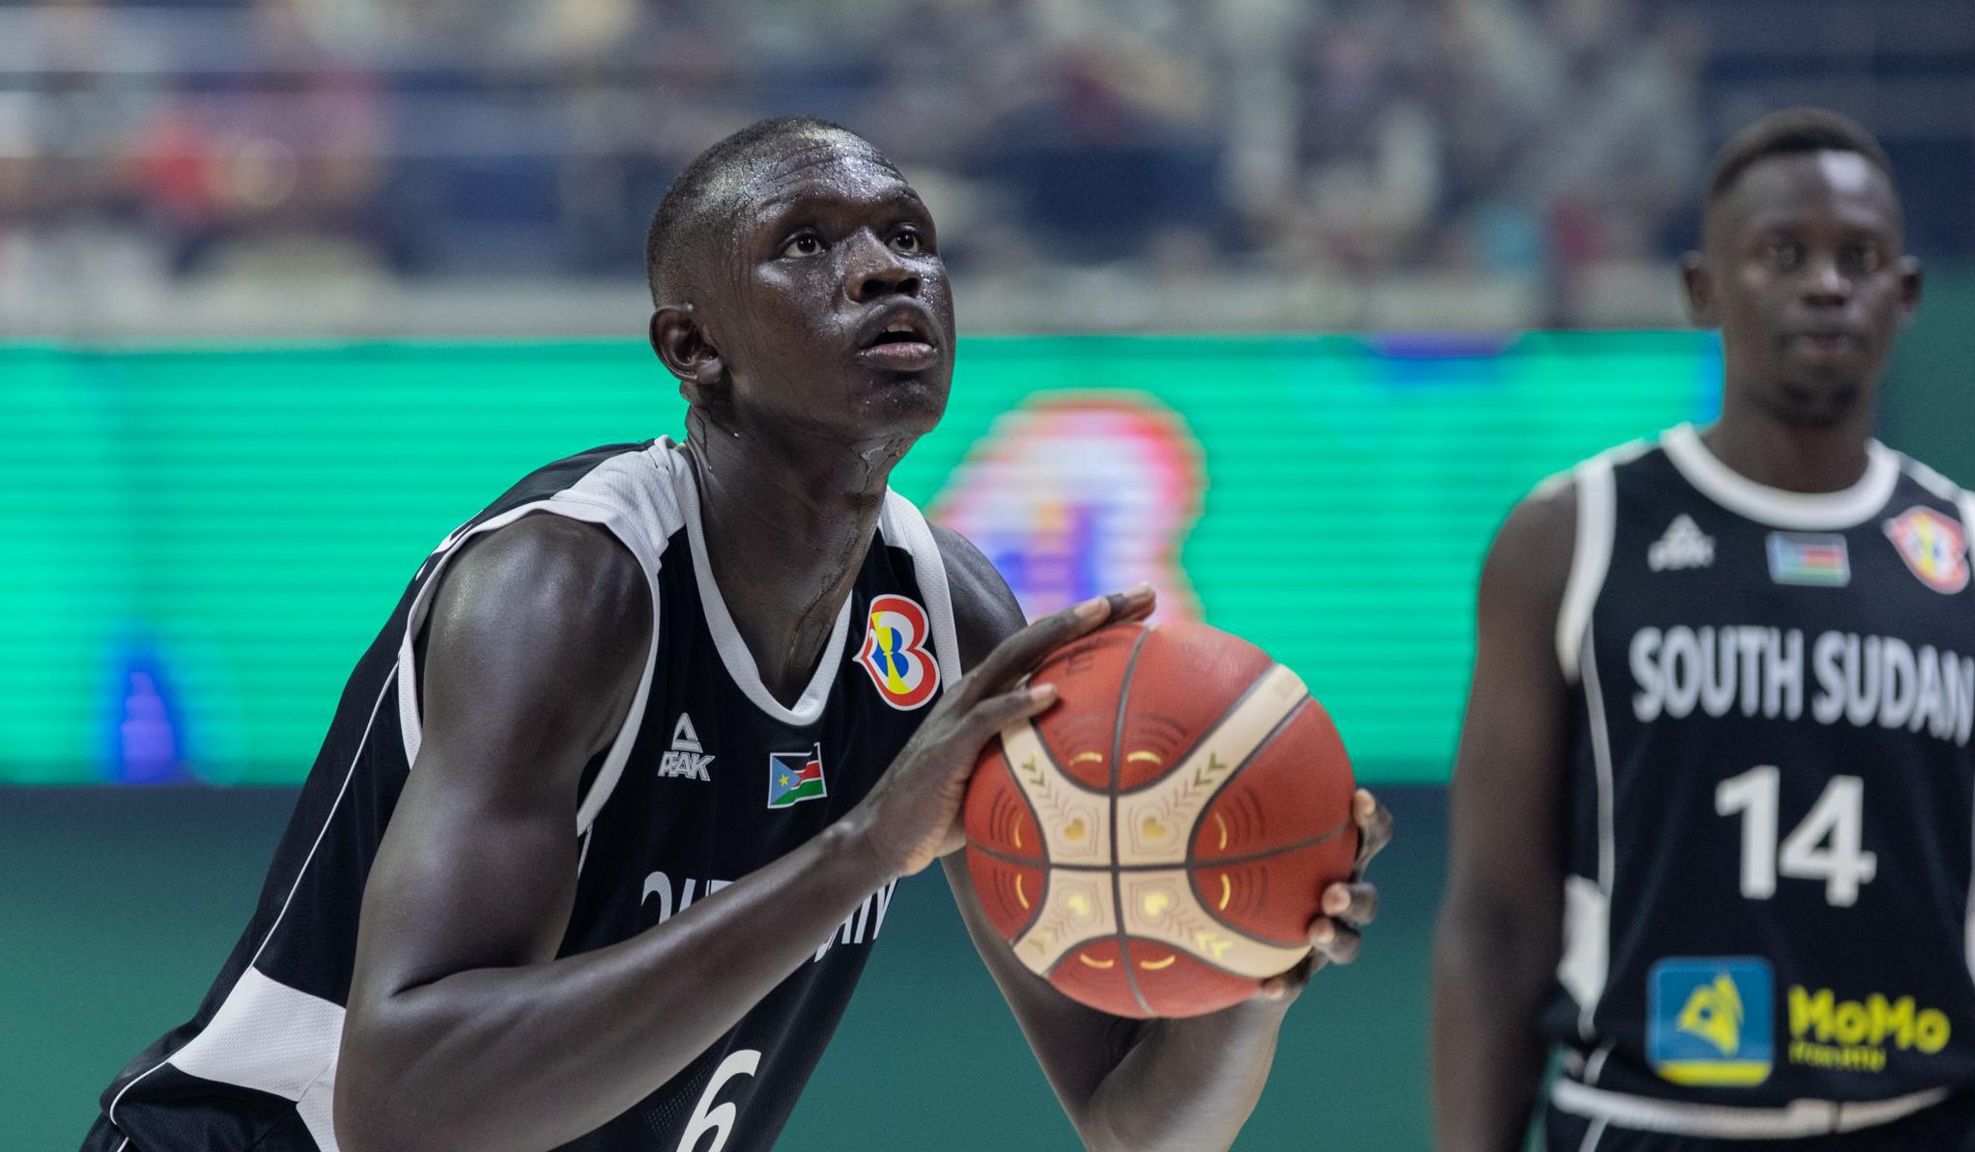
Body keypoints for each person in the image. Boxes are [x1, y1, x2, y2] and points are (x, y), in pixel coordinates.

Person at [81, 116, 1389, 1152]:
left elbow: (1135, 1124)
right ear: (692, 348)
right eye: (807, 243)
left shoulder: (946, 612)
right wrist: (864, 849)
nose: (885, 267)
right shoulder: (570, 588)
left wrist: (1252, 943)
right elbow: (406, 1109)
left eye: (907, 234)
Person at [1432, 108, 1975, 1151]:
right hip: (1646, 1114)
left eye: (1856, 258)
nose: (1823, 284)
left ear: (1903, 296)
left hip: (1923, 1120)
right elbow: (1494, 930)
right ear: (1701, 290)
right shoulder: (1569, 538)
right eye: (1780, 253)